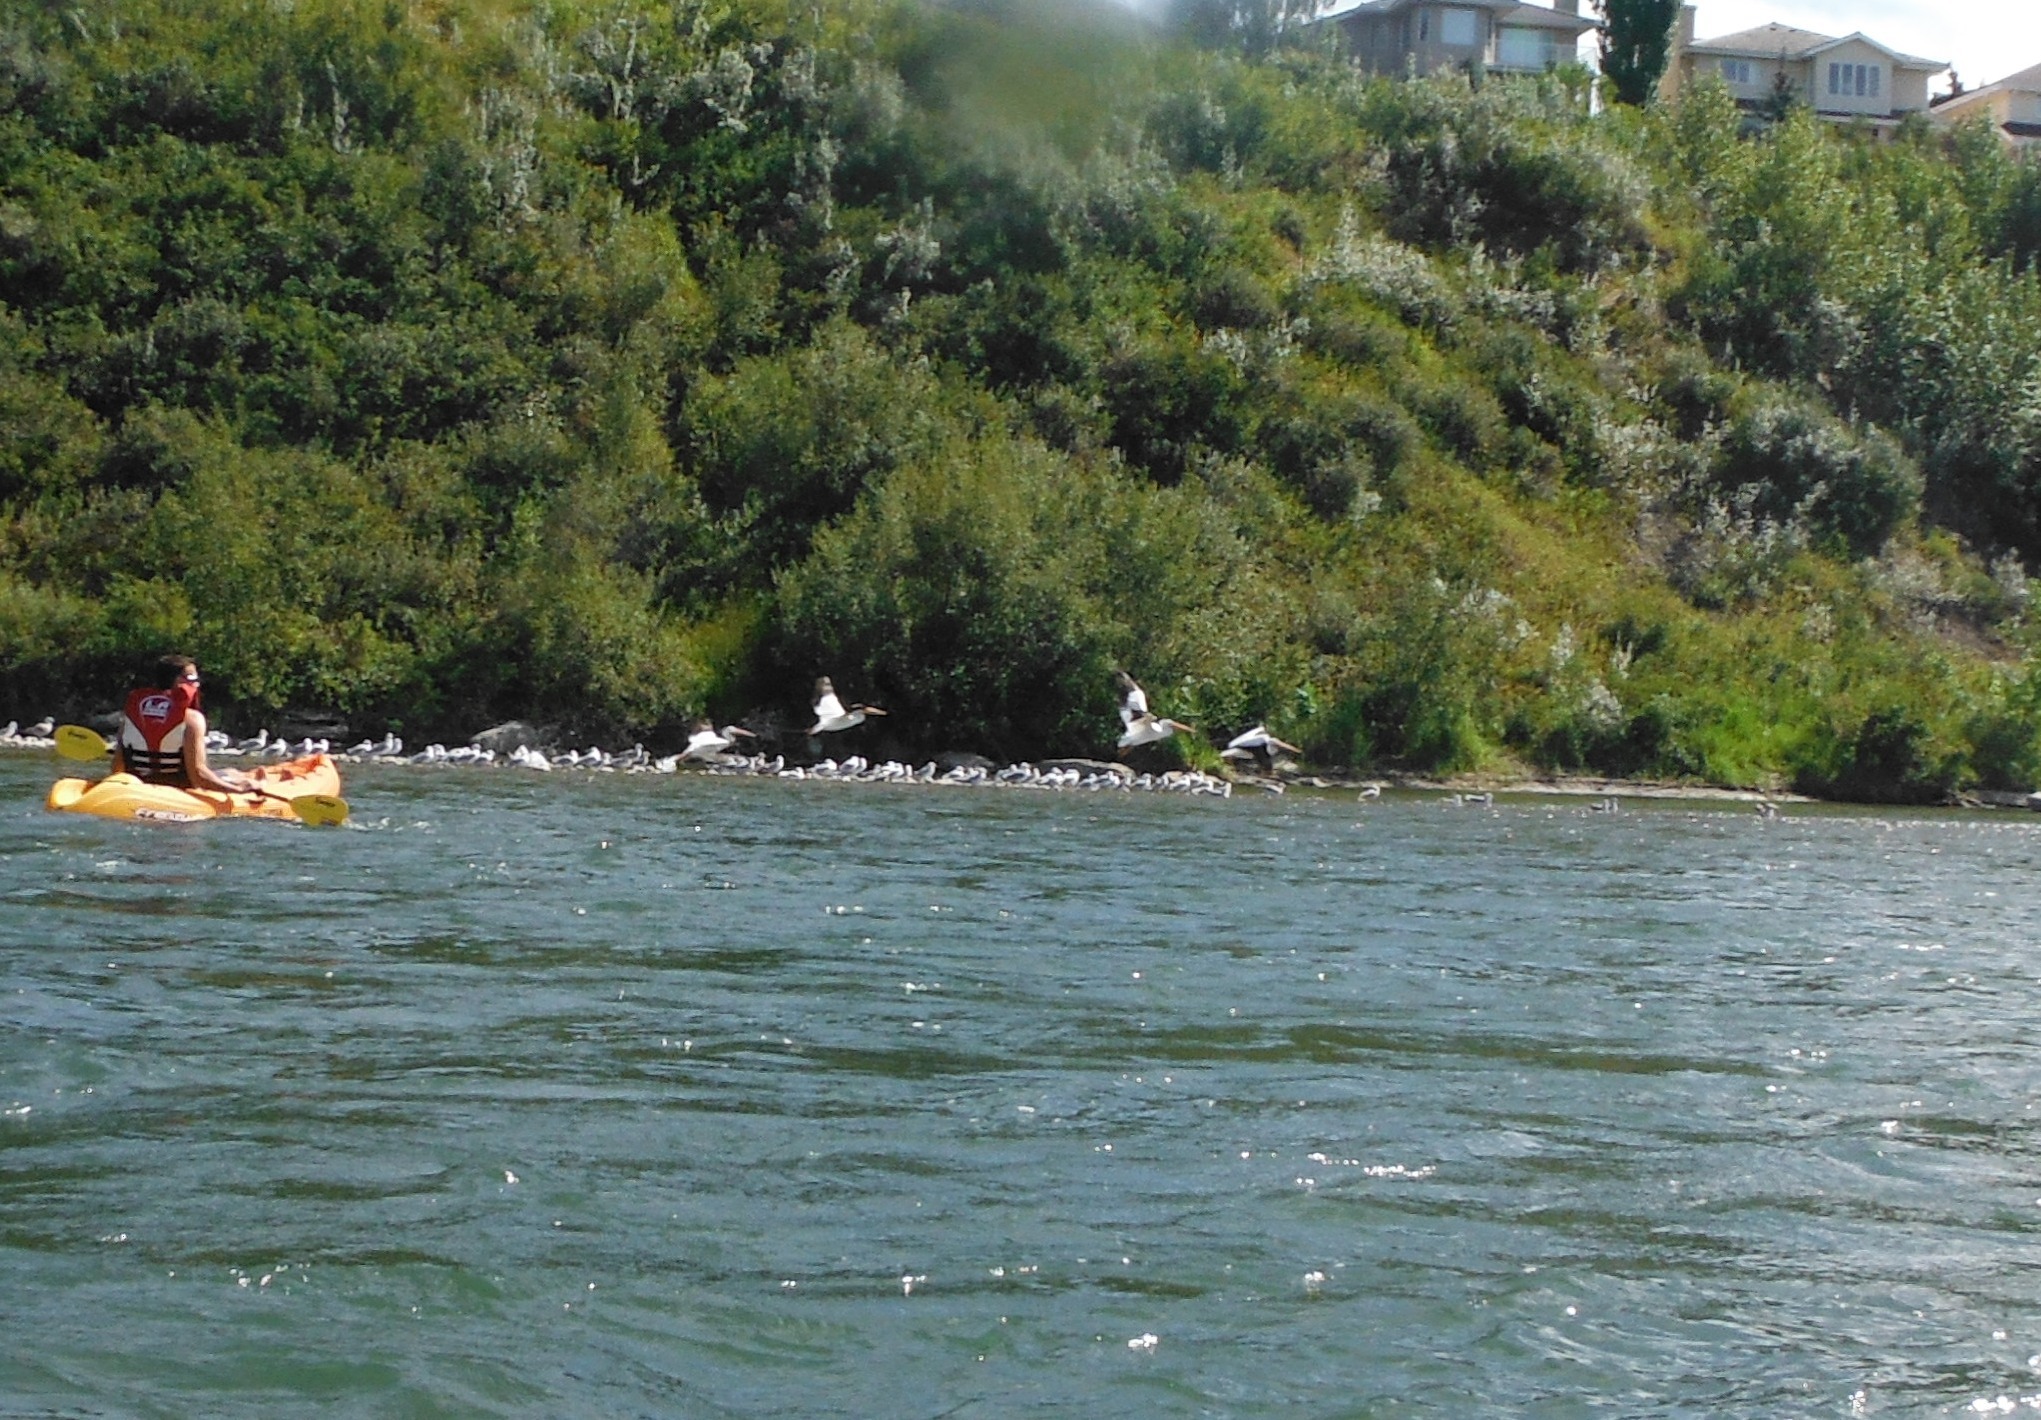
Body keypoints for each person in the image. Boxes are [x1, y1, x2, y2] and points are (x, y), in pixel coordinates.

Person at [113, 654, 253, 794]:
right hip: (178, 790)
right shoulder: (192, 719)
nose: (197, 684)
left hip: (138, 787)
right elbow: (198, 776)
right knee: (235, 775)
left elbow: (117, 768)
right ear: (178, 681)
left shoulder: (130, 715)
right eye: (193, 679)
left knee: (231, 772)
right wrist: (238, 790)